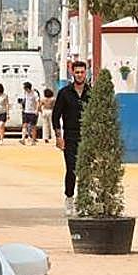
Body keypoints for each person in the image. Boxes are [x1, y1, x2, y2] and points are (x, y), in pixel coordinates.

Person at [53, 61, 90, 215]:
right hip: (70, 137)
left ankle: (84, 201)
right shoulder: (64, 93)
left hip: (87, 137)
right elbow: (55, 116)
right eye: (77, 72)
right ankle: (69, 199)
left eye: (82, 72)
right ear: (72, 73)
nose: (80, 75)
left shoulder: (91, 93)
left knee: (86, 170)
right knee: (71, 169)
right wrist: (58, 137)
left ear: (86, 73)